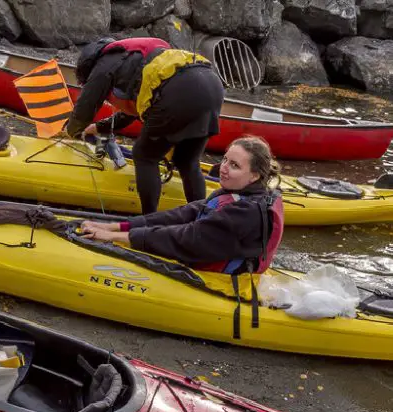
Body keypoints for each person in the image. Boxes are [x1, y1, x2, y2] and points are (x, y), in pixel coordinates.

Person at [66, 37, 225, 215]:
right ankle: (201, 219)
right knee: (186, 161)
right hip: (212, 86)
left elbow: (85, 107)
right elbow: (130, 114)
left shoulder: (104, 64)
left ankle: (149, 219)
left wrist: (69, 131)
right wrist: (99, 127)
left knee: (144, 155)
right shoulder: (135, 60)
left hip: (181, 90)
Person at [80, 136, 283, 275]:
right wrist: (117, 226)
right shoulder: (236, 192)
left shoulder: (247, 212)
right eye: (225, 160)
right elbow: (182, 214)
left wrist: (114, 237)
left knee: (164, 238)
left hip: (225, 273)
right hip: (203, 248)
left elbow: (185, 238)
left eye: (235, 165)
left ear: (255, 175)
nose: (223, 169)